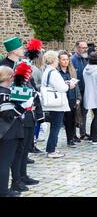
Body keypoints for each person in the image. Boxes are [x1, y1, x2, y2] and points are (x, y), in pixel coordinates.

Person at [2, 37, 43, 191]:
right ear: (13, 50)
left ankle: (22, 175)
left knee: (25, 147)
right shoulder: (4, 66)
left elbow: (29, 82)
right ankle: (15, 180)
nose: (23, 50)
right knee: (16, 150)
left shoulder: (23, 63)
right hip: (13, 114)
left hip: (28, 111)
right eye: (20, 48)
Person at [0, 66, 25, 197]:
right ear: (9, 78)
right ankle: (3, 191)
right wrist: (23, 107)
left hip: (7, 131)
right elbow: (8, 115)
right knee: (5, 162)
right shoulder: (4, 93)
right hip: (8, 131)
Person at [42, 50, 71, 158]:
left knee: (55, 127)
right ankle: (51, 150)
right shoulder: (53, 72)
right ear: (55, 60)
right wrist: (69, 85)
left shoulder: (47, 71)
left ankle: (51, 147)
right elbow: (62, 88)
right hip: (57, 104)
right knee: (56, 127)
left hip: (52, 103)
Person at [58, 51, 81, 148]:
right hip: (61, 99)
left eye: (67, 59)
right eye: (63, 59)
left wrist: (78, 97)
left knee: (71, 120)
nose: (65, 61)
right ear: (59, 60)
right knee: (60, 121)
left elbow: (76, 86)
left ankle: (70, 138)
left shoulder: (71, 71)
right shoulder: (57, 72)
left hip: (71, 98)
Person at [71, 41, 89, 140]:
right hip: (76, 90)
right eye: (83, 48)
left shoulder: (85, 59)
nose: (85, 49)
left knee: (84, 111)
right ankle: (73, 134)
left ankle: (83, 132)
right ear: (77, 48)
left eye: (86, 47)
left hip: (85, 89)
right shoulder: (72, 60)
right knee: (75, 112)